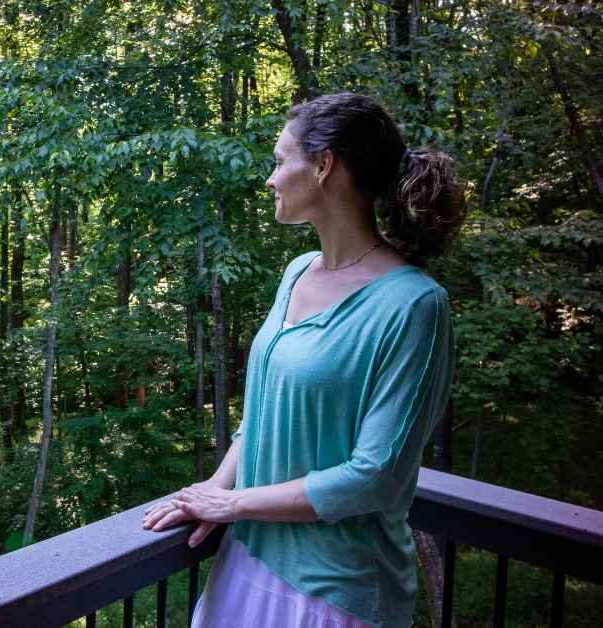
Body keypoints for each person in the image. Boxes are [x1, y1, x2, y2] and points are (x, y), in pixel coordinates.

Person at [141, 92, 466, 628]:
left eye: (279, 160)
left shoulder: (413, 305)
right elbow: (260, 418)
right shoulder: (297, 272)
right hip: (247, 558)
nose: (270, 178)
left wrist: (237, 503)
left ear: (322, 166)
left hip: (336, 588)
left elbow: (376, 477)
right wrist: (212, 490)